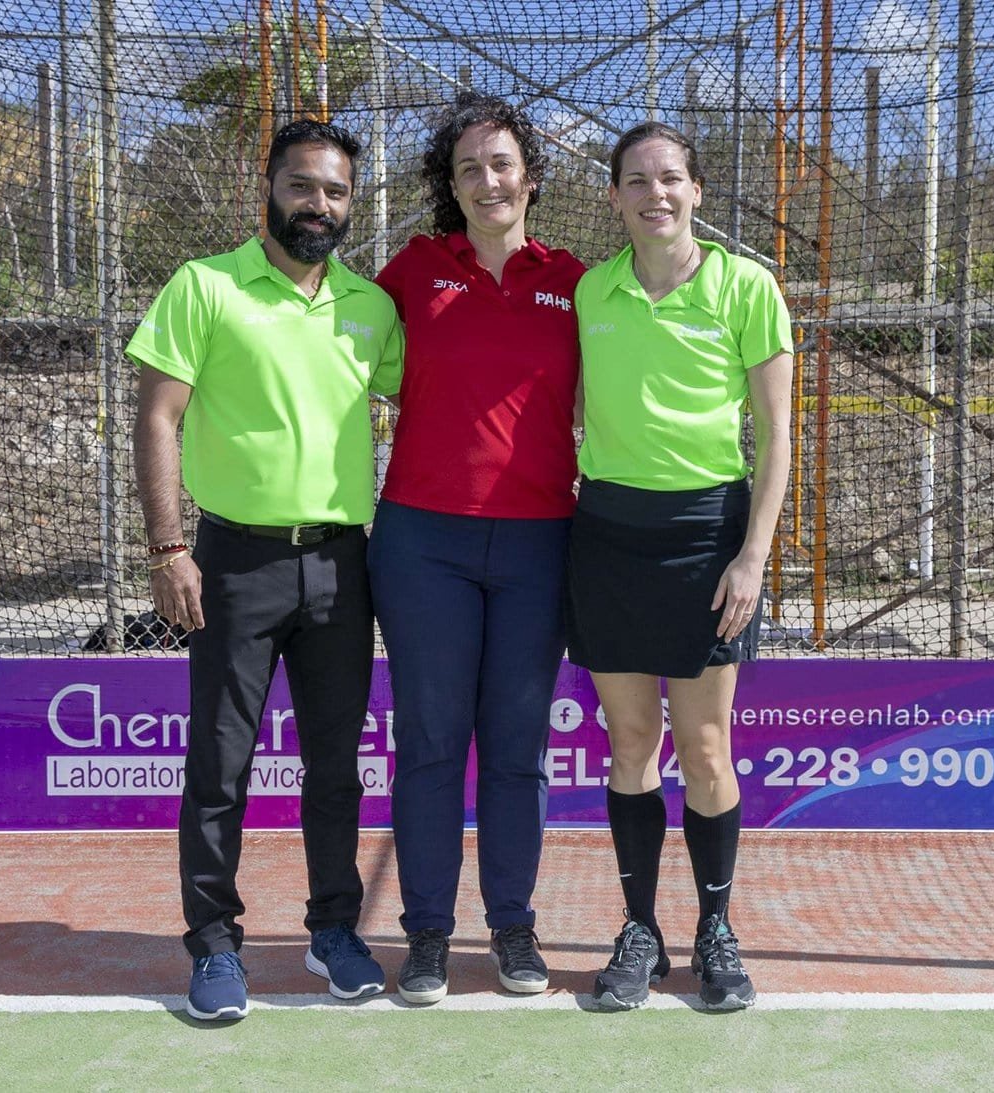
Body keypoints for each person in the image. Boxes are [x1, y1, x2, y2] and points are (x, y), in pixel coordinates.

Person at [128, 119, 403, 1021]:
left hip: (339, 562)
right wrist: (170, 547)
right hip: (232, 561)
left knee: (336, 766)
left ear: (349, 204)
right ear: (270, 188)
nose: (317, 205)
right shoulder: (204, 286)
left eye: (333, 192)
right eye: (302, 186)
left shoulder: (371, 306)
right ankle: (212, 942)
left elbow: (433, 394)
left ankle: (334, 930)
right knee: (219, 763)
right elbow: (158, 417)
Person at [569, 121, 794, 1012]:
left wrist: (752, 556)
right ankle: (639, 931)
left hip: (709, 538)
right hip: (609, 535)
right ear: (617, 197)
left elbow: (777, 437)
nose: (655, 194)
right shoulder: (592, 293)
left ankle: (714, 929)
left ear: (697, 191)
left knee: (704, 750)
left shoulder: (747, 288)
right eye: (636, 180)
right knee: (630, 747)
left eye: (671, 179)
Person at [369, 92, 584, 1005]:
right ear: (448, 186)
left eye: (501, 164)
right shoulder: (410, 273)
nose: (487, 181)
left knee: (516, 747)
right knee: (427, 741)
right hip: (423, 540)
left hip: (541, 541)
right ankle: (424, 936)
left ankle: (512, 927)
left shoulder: (576, 280)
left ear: (529, 176)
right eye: (468, 168)